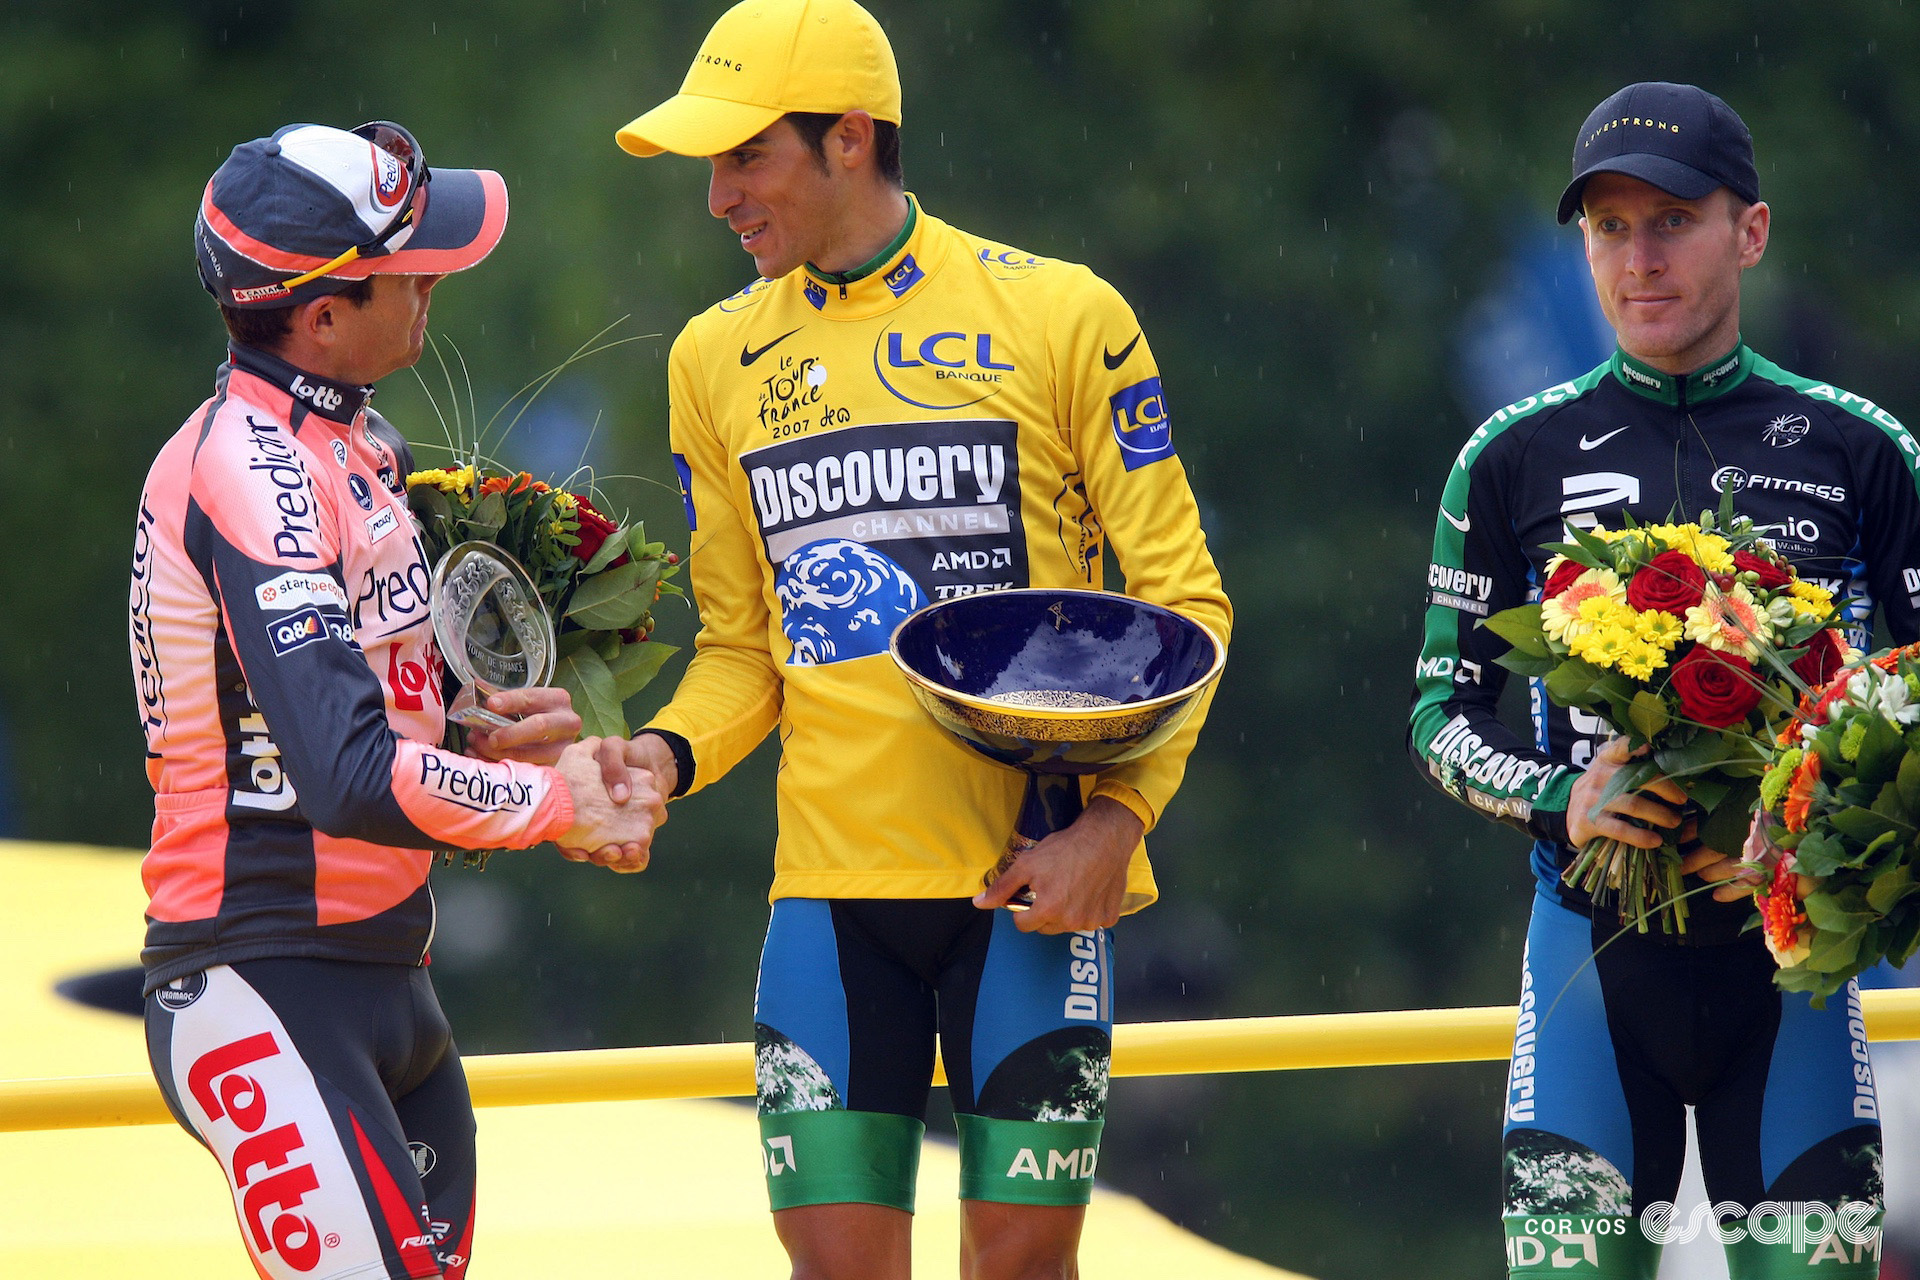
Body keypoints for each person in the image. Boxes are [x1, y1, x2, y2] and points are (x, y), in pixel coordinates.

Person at [610, 2, 1231, 1275]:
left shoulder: (1063, 313)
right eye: (710, 166)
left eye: (745, 157)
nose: (718, 195)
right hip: (829, 902)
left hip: (1030, 889)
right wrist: (658, 758)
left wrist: (1120, 825)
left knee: (1019, 1268)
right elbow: (742, 651)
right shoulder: (710, 357)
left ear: (848, 138)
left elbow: (1189, 610)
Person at [130, 121, 665, 1280]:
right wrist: (550, 805)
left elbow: (388, 717)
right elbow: (348, 772)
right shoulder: (245, 463)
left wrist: (516, 737)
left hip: (391, 980)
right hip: (262, 976)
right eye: (408, 262)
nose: (432, 279)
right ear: (322, 316)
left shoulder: (356, 443)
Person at [1410, 81, 1920, 1277]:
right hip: (1588, 965)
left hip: (1791, 980)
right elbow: (1441, 714)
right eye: (1607, 226)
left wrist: (1810, 842)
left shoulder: (1864, 451)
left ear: (1750, 230)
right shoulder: (1507, 457)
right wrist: (1562, 800)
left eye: (1673, 220)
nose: (1637, 259)